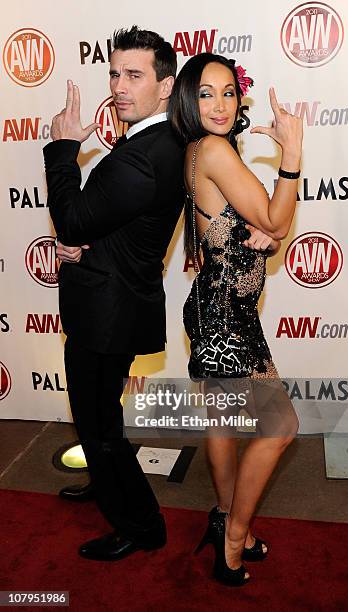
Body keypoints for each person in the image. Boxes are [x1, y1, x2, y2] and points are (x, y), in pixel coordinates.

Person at [43, 26, 185, 561]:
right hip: (114, 296)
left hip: (108, 311)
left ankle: (141, 525)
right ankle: (106, 484)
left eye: (134, 75)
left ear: (166, 85)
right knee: (103, 417)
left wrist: (62, 148)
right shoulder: (154, 140)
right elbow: (128, 226)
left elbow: (74, 219)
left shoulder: (145, 152)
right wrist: (92, 250)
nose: (119, 87)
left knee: (99, 427)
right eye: (114, 74)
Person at [168, 53, 302, 585]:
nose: (220, 104)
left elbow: (246, 232)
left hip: (218, 307)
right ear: (187, 99)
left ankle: (227, 520)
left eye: (228, 92)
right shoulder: (217, 149)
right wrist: (291, 155)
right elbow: (274, 215)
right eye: (206, 93)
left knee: (223, 425)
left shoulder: (198, 149)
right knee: (281, 427)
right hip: (224, 316)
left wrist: (266, 236)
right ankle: (232, 540)